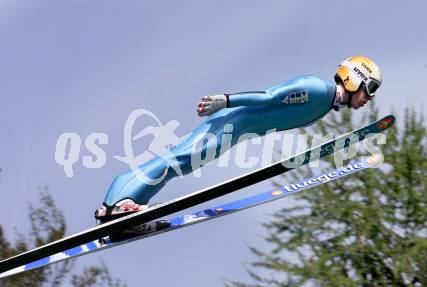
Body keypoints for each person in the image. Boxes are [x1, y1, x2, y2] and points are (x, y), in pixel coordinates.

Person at [95, 56, 382, 233]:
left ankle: (130, 213)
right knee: (179, 159)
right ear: (354, 78)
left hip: (237, 131)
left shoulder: (324, 104)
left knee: (180, 165)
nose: (369, 97)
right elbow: (271, 96)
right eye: (369, 88)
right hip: (233, 121)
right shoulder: (319, 89)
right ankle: (116, 202)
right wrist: (227, 100)